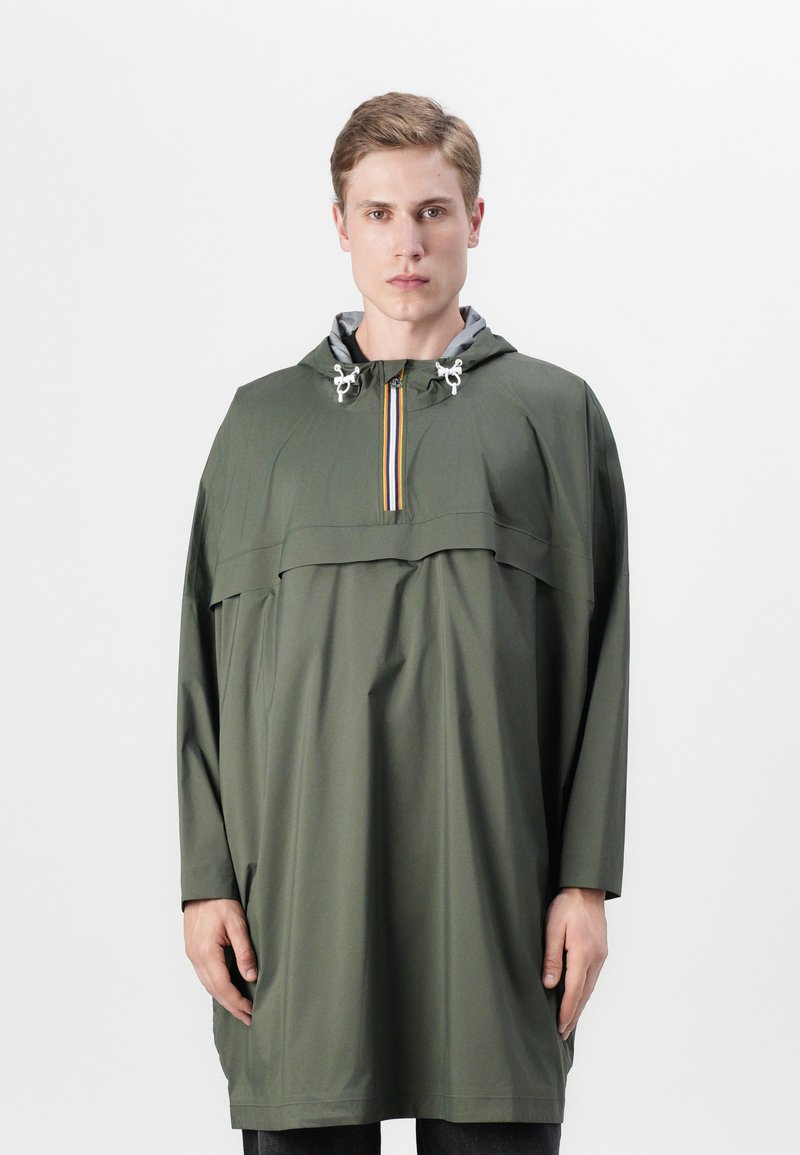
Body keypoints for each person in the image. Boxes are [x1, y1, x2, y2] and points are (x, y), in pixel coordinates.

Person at [177, 92, 630, 1155]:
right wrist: (205, 881)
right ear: (340, 225)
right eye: (378, 213)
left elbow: (600, 660)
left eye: (432, 210)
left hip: (494, 887)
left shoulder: (553, 414)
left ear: (476, 219)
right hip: (299, 891)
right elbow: (203, 667)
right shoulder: (259, 425)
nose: (407, 242)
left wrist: (584, 880)